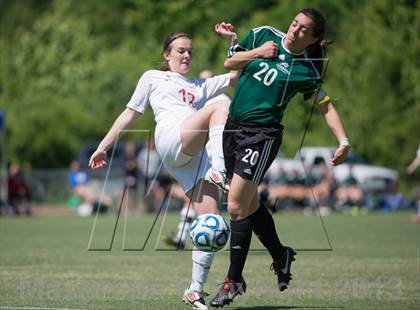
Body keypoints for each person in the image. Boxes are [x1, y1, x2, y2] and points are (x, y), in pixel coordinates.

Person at [89, 26, 239, 309]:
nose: (186, 55)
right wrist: (104, 146)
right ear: (166, 54)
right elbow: (129, 114)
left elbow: (235, 75)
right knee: (222, 105)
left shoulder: (198, 85)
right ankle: (220, 170)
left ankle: (194, 290)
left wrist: (233, 42)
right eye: (181, 50)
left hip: (192, 157)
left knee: (211, 221)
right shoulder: (154, 77)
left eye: (190, 51)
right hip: (171, 138)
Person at [210, 8, 350, 307]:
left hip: (263, 136)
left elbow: (325, 106)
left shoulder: (305, 70)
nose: (295, 29)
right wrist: (252, 48)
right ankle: (281, 254)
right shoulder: (263, 35)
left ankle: (233, 280)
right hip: (233, 128)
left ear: (313, 38)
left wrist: (343, 140)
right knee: (249, 205)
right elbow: (230, 63)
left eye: (304, 29)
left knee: (235, 204)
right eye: (295, 23)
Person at [163, 69, 232, 249]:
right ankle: (181, 235)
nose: (204, 83)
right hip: (201, 155)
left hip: (218, 157)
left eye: (207, 79)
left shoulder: (222, 101)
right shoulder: (199, 101)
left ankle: (262, 199)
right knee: (197, 198)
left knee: (237, 201)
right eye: (202, 80)